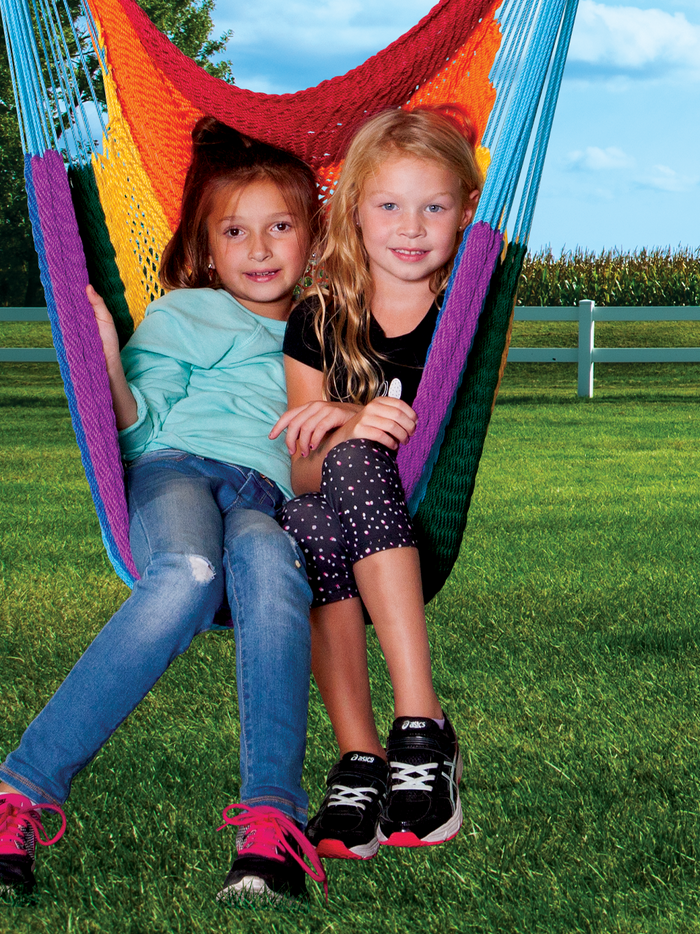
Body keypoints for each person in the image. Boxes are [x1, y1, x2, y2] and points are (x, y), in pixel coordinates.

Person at [0, 118, 328, 904]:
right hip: (175, 473)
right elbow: (139, 426)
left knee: (268, 562)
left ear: (312, 236)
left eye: (280, 227)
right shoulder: (183, 312)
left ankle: (271, 830)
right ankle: (15, 801)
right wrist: (103, 353)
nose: (259, 250)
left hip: (267, 496)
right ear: (207, 243)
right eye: (236, 231)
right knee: (188, 572)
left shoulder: (329, 326)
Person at [270, 105, 483, 862]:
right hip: (339, 525)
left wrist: (352, 421)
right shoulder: (318, 319)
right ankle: (361, 760)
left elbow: (439, 428)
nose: (412, 226)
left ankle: (422, 727)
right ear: (355, 212)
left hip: (415, 524)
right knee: (303, 514)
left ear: (465, 213)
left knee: (357, 459)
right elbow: (302, 462)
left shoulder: (465, 312)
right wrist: (349, 423)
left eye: (434, 206)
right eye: (389, 205)